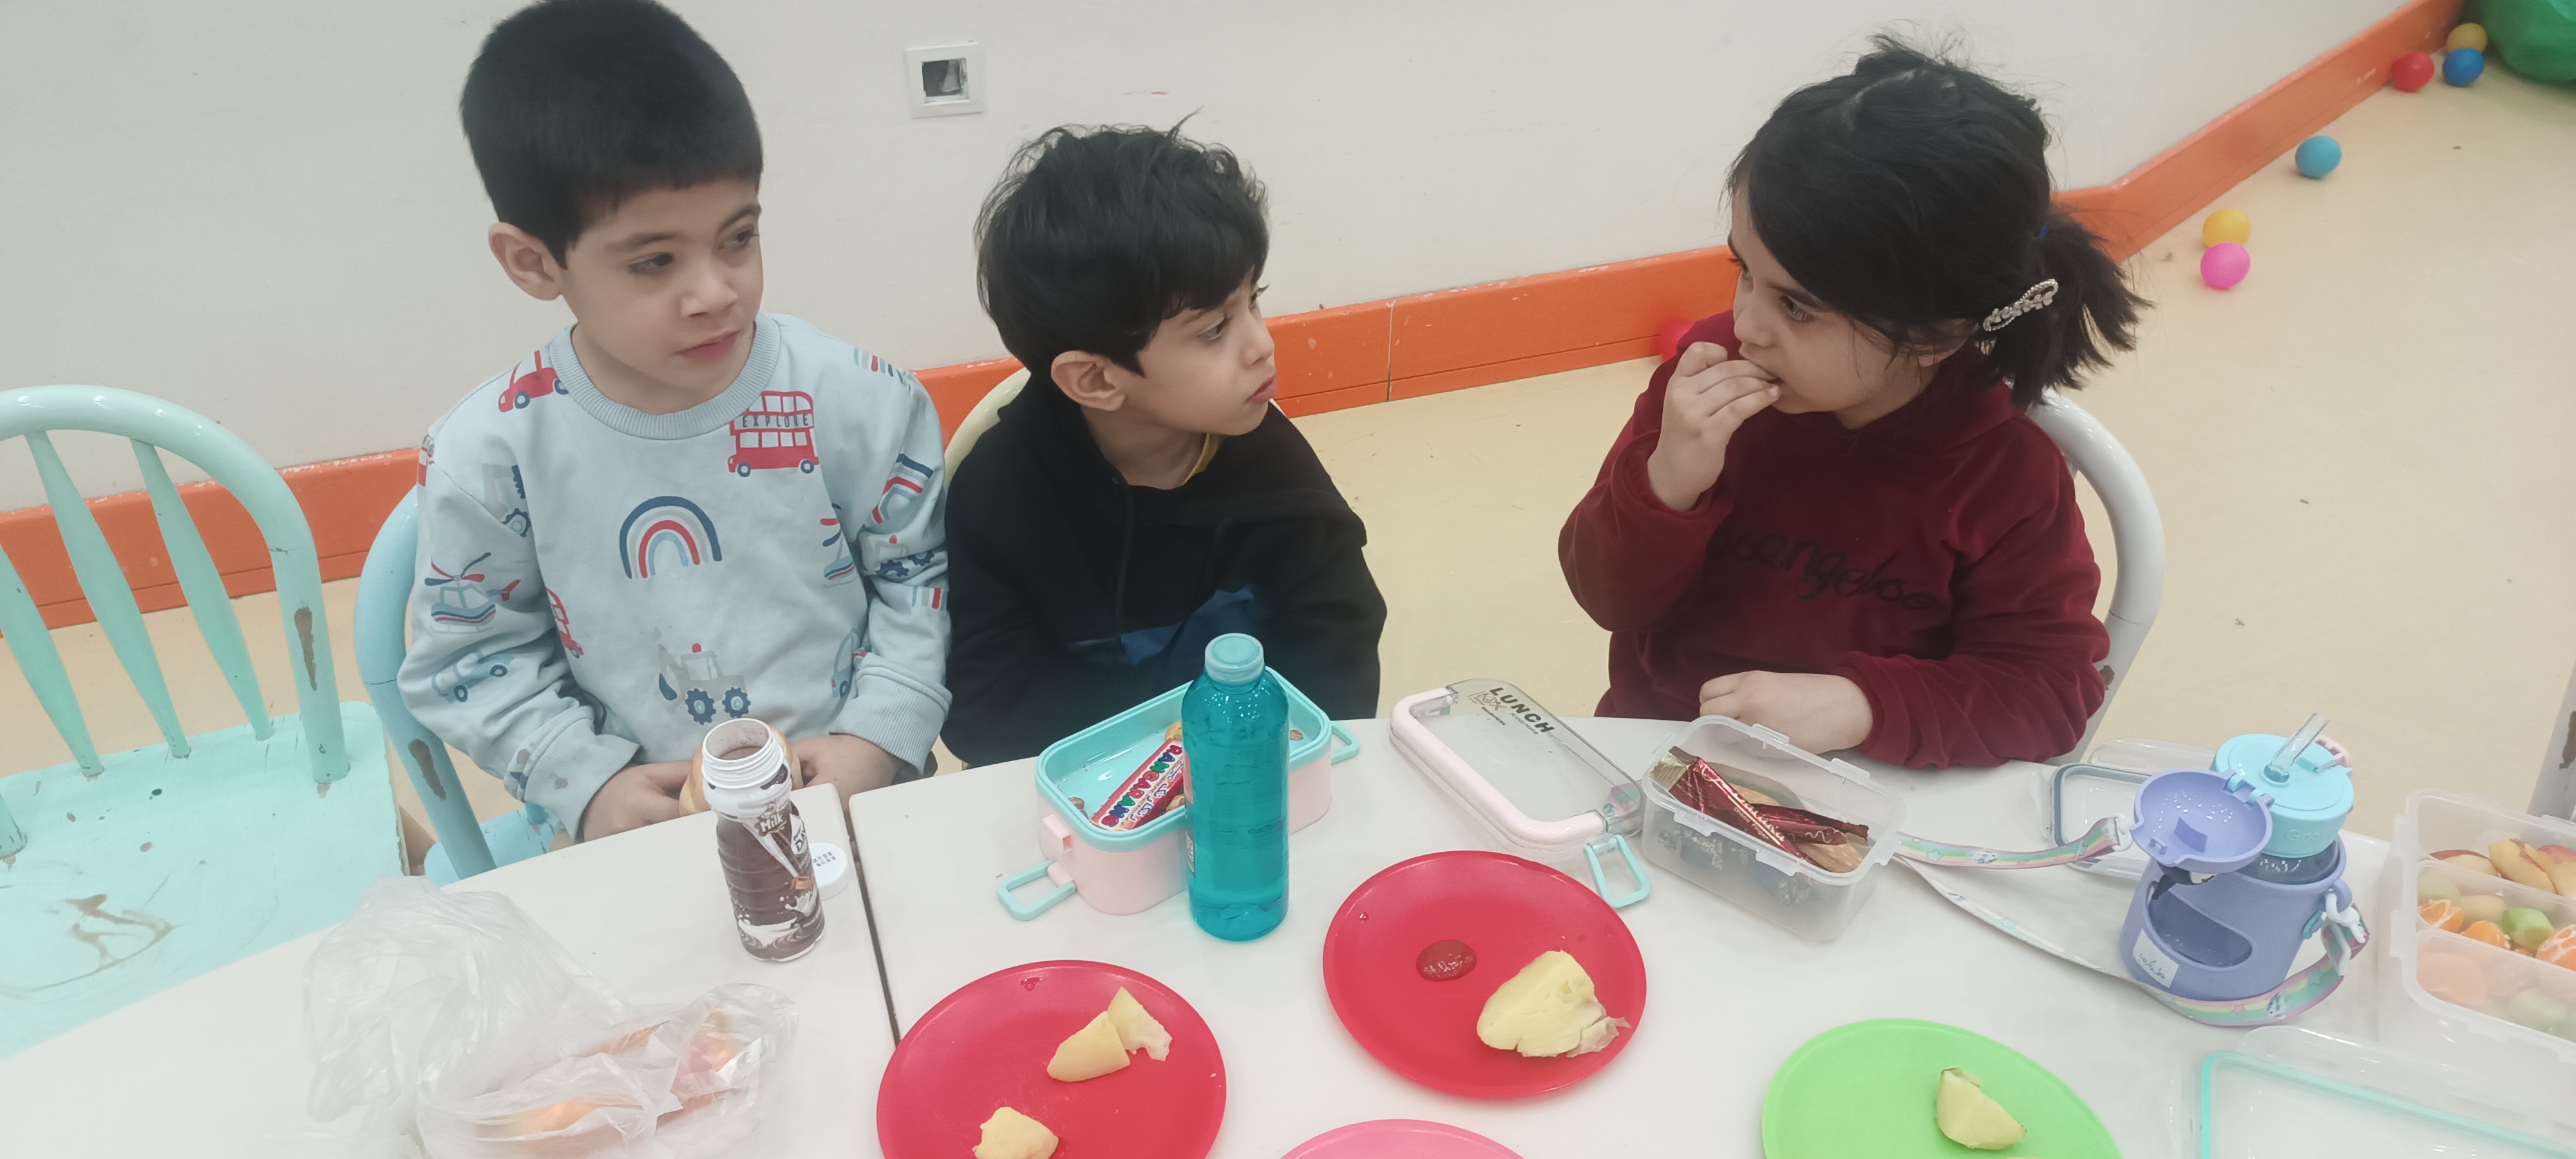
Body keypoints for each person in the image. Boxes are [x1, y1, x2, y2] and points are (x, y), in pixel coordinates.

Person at [400, 0, 950, 840]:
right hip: (640, 826)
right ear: (534, 262)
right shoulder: (489, 456)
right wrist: (587, 784)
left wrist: (878, 736)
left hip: (858, 791)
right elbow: (472, 658)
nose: (715, 293)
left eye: (738, 238)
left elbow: (917, 579)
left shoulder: (861, 399)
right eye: (655, 261)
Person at [1560, 38, 2146, 769]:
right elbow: (1607, 600)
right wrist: (1667, 484)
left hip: (1867, 789)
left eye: (1796, 307)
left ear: (1934, 335)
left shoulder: (2001, 472)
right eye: (1745, 272)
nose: (1746, 326)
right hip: (1658, 753)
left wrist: (1862, 705)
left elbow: (2050, 691)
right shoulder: (1703, 380)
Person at [942, 125, 1387, 766]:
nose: (1262, 344)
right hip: (1084, 796)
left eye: (1253, 301)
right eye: (1214, 330)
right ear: (1097, 380)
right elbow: (988, 707)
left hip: (1253, 779)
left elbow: (1337, 650)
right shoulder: (998, 498)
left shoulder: (1274, 469)